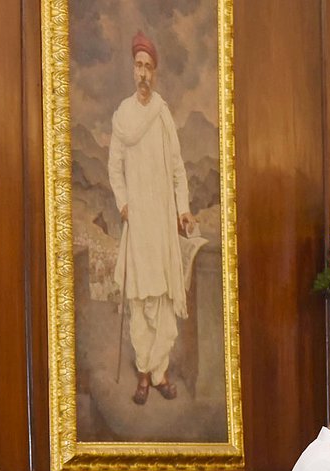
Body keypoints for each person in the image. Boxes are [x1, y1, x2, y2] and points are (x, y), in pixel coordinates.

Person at [108, 30, 195, 406]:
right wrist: (124, 201)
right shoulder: (123, 116)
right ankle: (144, 372)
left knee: (161, 298)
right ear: (132, 71)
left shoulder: (162, 115)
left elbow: (177, 168)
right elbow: (114, 167)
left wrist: (183, 209)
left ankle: (159, 373)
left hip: (160, 221)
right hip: (137, 220)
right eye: (138, 66)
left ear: (154, 73)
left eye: (148, 67)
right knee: (140, 300)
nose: (143, 73)